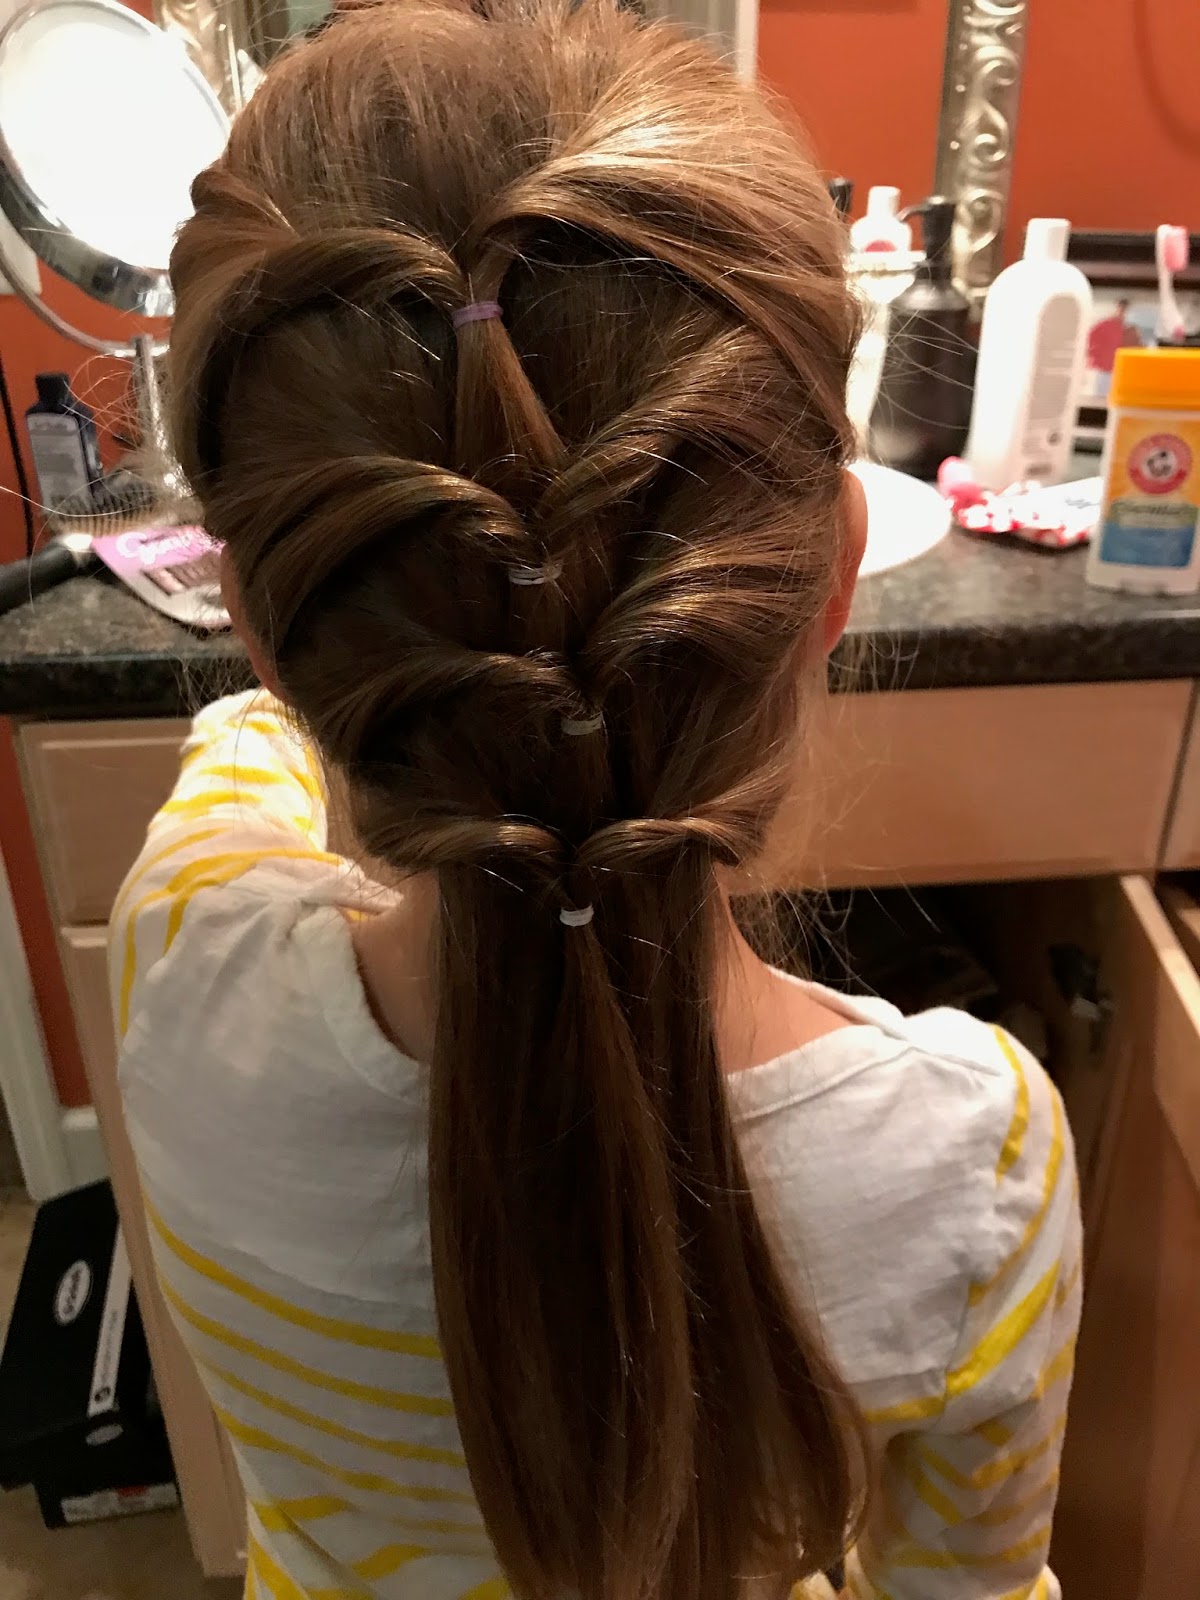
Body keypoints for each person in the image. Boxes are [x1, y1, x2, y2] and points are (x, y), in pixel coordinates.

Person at [109, 4, 1081, 1598]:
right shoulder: (971, 1164)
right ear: (833, 576)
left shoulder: (182, 951)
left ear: (265, 621)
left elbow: (246, 743)